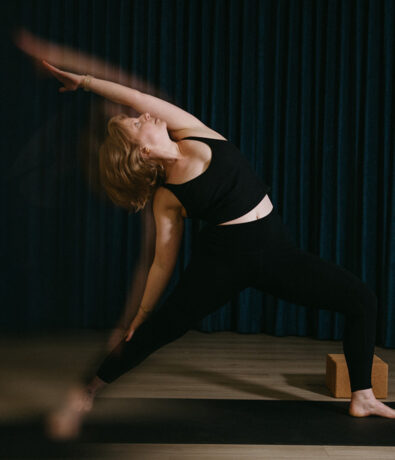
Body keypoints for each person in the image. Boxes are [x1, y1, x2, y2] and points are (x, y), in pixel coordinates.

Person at [40, 60, 394, 439]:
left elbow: (138, 95)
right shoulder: (167, 198)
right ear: (141, 152)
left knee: (361, 300)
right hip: (224, 261)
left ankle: (363, 396)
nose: (144, 114)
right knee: (157, 331)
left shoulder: (192, 131)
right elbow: (163, 261)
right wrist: (141, 314)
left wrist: (86, 82)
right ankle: (87, 392)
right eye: (137, 123)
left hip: (277, 253)